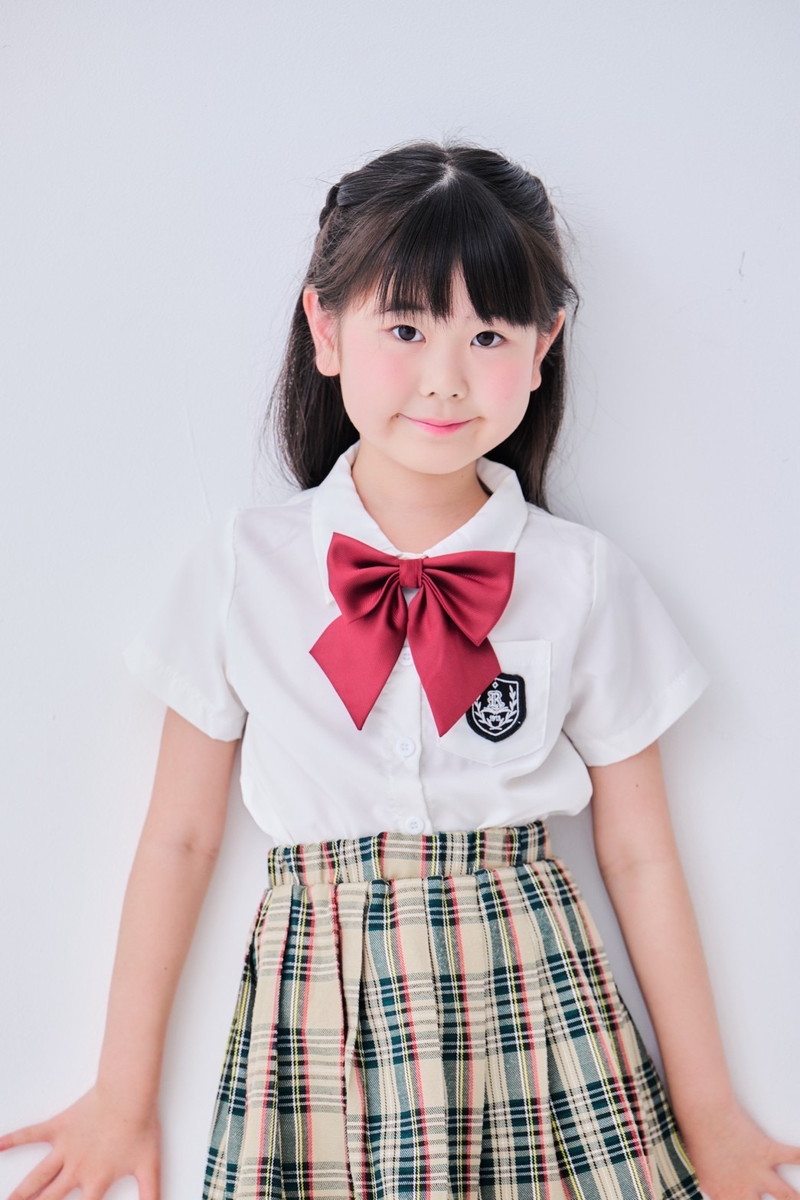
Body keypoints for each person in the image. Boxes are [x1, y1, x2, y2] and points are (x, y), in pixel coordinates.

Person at [1, 140, 798, 1200]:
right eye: (407, 327)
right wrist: (121, 1092)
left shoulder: (580, 578)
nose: (445, 377)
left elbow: (640, 852)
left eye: (488, 334)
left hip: (534, 997)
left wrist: (713, 1117)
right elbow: (181, 836)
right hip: (319, 1006)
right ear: (326, 329)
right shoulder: (244, 568)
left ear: (544, 345)